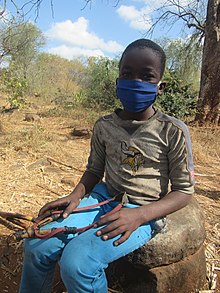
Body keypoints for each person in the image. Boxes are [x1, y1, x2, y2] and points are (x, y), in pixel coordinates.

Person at [19, 39, 195, 293]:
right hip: (102, 198)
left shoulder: (173, 131)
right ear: (117, 81)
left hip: (142, 209)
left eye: (147, 76)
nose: (136, 82)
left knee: (78, 263)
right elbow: (94, 170)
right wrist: (75, 196)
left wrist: (141, 215)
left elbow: (184, 191)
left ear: (160, 87)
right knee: (37, 243)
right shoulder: (104, 126)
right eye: (127, 74)